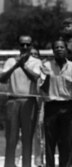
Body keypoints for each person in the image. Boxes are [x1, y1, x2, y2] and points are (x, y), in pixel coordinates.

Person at [0, 35, 42, 167]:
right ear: (18, 45)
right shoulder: (10, 61)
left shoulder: (36, 62)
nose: (25, 47)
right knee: (11, 139)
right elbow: (2, 78)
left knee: (27, 138)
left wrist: (22, 65)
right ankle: (9, 164)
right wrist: (16, 65)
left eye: (27, 44)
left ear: (31, 46)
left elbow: (35, 78)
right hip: (12, 100)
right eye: (22, 44)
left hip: (29, 101)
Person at [39, 39, 72, 167]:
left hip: (68, 107)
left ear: (66, 50)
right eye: (56, 47)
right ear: (53, 51)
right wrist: (47, 76)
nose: (59, 49)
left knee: (67, 142)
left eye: (61, 47)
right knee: (50, 143)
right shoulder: (46, 65)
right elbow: (43, 88)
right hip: (52, 107)